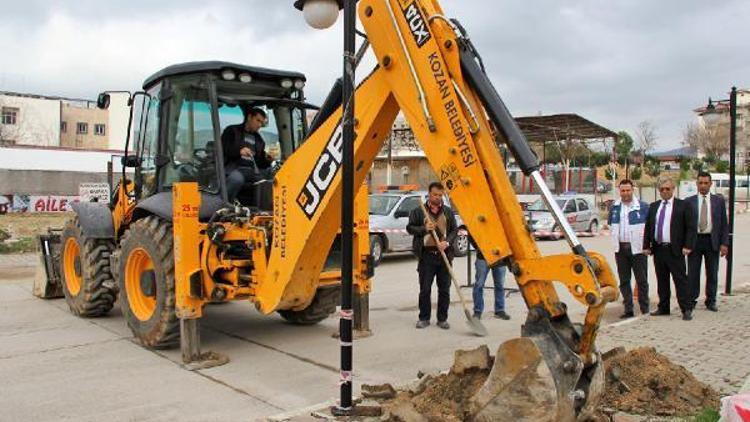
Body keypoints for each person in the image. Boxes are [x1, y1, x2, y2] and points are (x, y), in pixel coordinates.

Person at [643, 176, 697, 320]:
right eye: (662, 189)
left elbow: (690, 228)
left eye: (668, 189)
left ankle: (686, 308)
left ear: (673, 189)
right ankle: (664, 307)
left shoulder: (683, 205)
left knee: (680, 280)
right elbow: (649, 227)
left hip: (676, 250)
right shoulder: (654, 206)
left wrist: (688, 245)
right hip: (659, 249)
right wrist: (646, 245)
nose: (665, 191)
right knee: (662, 280)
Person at [406, 182, 458, 330]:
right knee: (425, 289)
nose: (438, 198)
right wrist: (424, 228)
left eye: (440, 195)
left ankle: (442, 319)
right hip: (426, 256)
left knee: (444, 289)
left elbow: (454, 230)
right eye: (435, 194)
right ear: (429, 194)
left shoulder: (448, 212)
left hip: (444, 256)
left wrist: (447, 243)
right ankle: (424, 318)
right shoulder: (418, 211)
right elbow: (410, 228)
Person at [686, 172, 729, 312]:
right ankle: (691, 300)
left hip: (712, 240)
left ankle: (711, 301)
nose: (703, 186)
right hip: (695, 241)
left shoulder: (718, 201)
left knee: (712, 272)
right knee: (693, 272)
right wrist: (685, 244)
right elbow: (684, 225)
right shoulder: (689, 201)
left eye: (706, 183)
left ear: (710, 184)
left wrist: (724, 244)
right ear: (696, 184)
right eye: (700, 183)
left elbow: (723, 224)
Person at [608, 179, 650, 318]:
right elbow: (610, 224)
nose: (625, 193)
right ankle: (628, 309)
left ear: (633, 190)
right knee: (624, 281)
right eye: (623, 190)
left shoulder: (643, 207)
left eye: (628, 190)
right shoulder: (615, 207)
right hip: (620, 249)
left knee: (641, 280)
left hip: (638, 249)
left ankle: (645, 309)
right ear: (619, 191)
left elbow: (650, 228)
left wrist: (647, 246)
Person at [221, 107, 274, 202]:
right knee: (237, 179)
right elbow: (224, 149)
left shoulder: (259, 140)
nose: (259, 125)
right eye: (258, 120)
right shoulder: (232, 131)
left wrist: (267, 160)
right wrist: (239, 151)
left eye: (262, 123)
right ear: (249, 117)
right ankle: (225, 204)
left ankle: (266, 208)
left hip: (252, 171)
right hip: (233, 169)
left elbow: (260, 162)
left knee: (275, 175)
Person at [469, 234, 510, 320]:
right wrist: (478, 247)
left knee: (499, 285)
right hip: (483, 257)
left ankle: (499, 310)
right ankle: (477, 311)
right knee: (479, 285)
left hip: (500, 257)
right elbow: (471, 233)